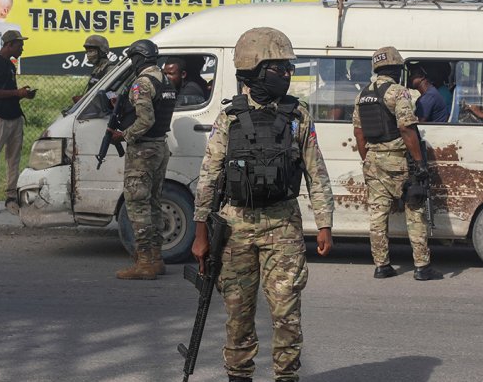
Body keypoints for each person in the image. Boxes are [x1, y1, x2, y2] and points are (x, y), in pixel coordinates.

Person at [191, 27, 334, 382]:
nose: (287, 75)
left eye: (288, 68)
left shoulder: (298, 116)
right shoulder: (229, 118)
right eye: (278, 68)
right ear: (253, 70)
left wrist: (325, 223)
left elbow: (316, 172)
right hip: (235, 227)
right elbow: (208, 176)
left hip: (283, 225)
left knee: (286, 311)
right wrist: (199, 233)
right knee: (238, 313)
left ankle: (287, 376)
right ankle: (238, 375)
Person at [353, 46, 435, 281]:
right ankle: (421, 266)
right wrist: (419, 164)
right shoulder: (398, 92)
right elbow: (406, 128)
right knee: (414, 209)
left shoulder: (362, 95)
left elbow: (359, 134)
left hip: (372, 160)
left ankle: (382, 265)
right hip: (398, 161)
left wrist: (368, 159)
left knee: (378, 215)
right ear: (397, 69)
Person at [109, 39, 177, 280]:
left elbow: (145, 121)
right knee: (154, 203)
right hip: (160, 146)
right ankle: (156, 258)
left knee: (137, 204)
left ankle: (145, 262)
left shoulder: (142, 83)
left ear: (138, 58)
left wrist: (122, 135)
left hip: (143, 150)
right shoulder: (165, 79)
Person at [0, 30, 36, 214]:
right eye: (20, 45)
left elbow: (9, 93)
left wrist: (22, 95)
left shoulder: (10, 65)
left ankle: (11, 196)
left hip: (14, 116)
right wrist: (16, 93)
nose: (22, 48)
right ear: (9, 44)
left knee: (14, 159)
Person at [71, 35, 114, 103]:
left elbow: (113, 93)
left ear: (102, 51)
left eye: (92, 51)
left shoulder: (109, 69)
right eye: (87, 52)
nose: (89, 55)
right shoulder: (97, 70)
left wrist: (104, 99)